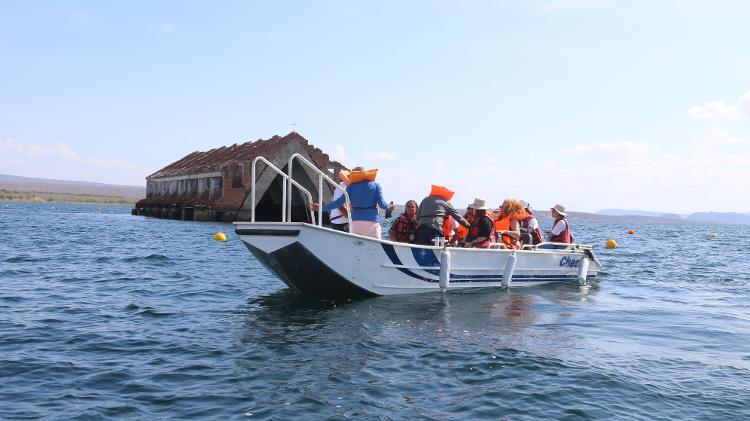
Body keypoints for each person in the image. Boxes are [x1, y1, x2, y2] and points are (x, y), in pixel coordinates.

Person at [310, 166, 395, 239]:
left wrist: (322, 207)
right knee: (375, 247)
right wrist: (391, 206)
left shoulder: (351, 187)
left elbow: (337, 203)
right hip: (371, 223)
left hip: (355, 224)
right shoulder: (376, 185)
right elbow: (383, 205)